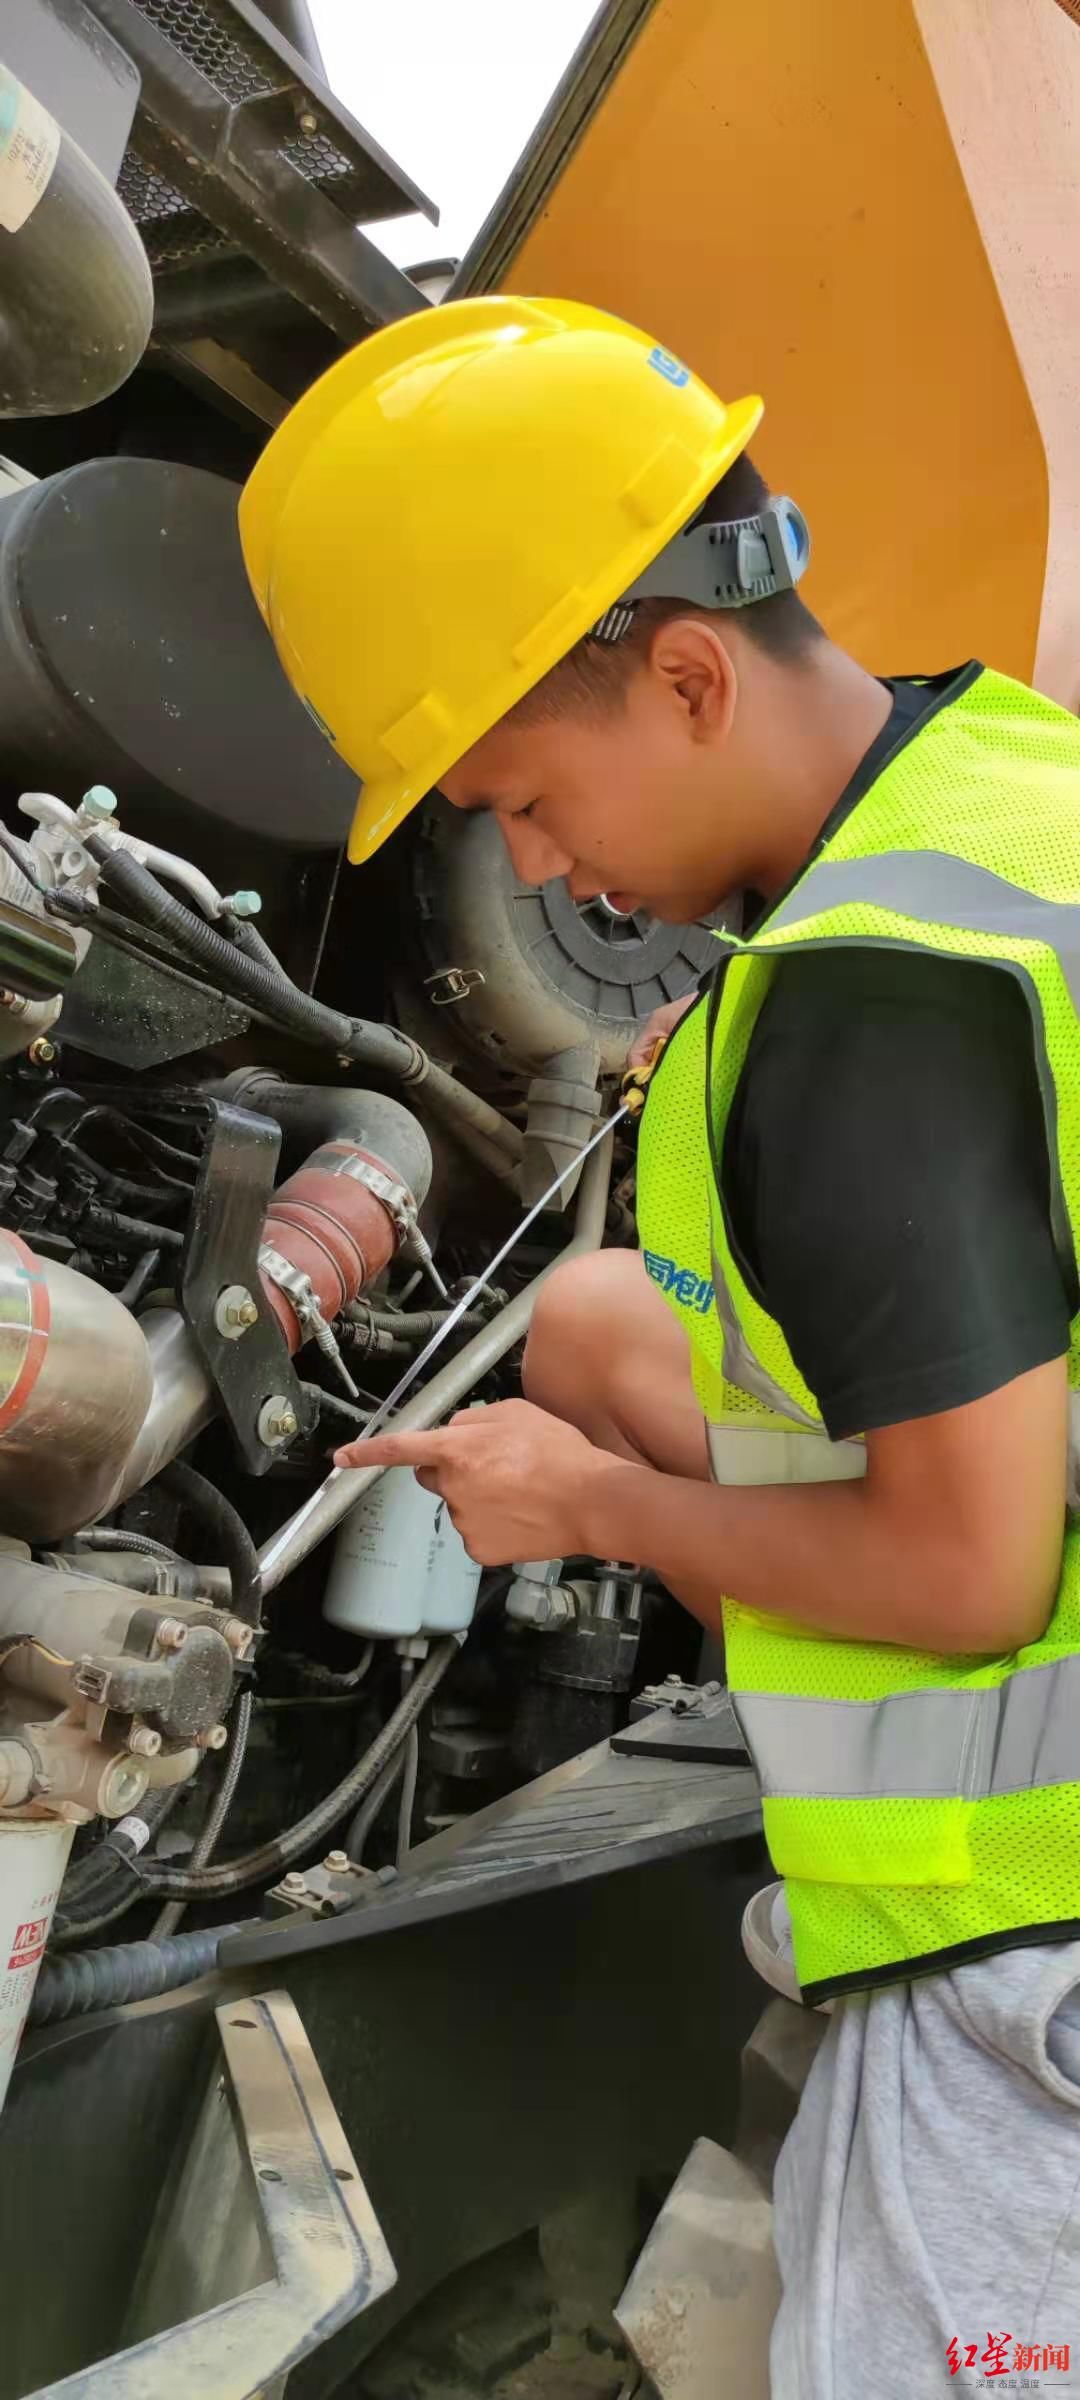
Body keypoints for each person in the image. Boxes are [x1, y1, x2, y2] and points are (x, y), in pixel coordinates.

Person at [241, 297, 1080, 2394]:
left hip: (1019, 1956)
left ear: (690, 675)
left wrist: (577, 1498)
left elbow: (975, 1575)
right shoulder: (1012, 803)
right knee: (611, 1314)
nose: (530, 861)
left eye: (522, 794)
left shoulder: (870, 992)